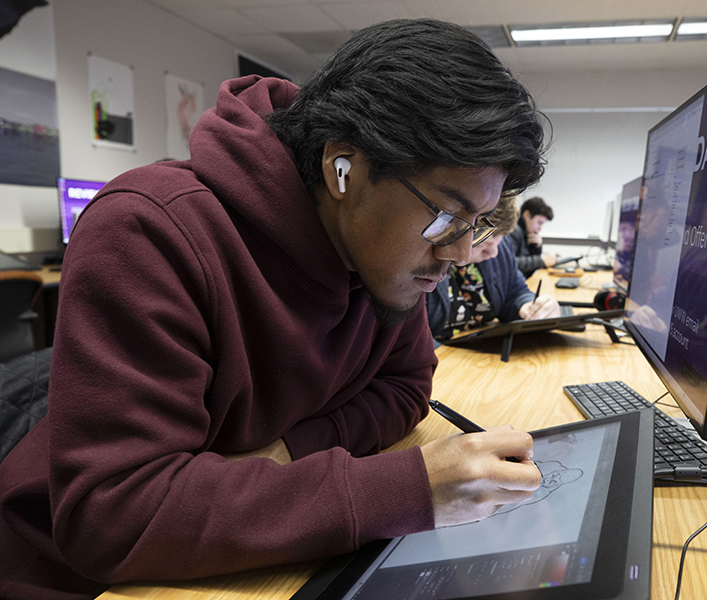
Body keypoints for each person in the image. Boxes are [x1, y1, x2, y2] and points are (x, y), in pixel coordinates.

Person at [0, 19, 546, 599]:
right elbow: (113, 516)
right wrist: (401, 487)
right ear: (343, 167)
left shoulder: (387, 256)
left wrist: (287, 455)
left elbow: (408, 385)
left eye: (477, 224)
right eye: (447, 215)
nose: (461, 252)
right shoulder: (148, 230)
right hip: (80, 580)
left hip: (238, 554)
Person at [426, 195, 560, 342]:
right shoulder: (425, 261)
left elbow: (514, 291)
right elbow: (413, 339)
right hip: (444, 356)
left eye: (499, 241)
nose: (493, 253)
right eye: (483, 244)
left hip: (482, 351)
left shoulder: (500, 246)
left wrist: (530, 306)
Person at [505, 196, 558, 277]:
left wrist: (537, 247)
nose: (539, 229)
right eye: (539, 223)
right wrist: (542, 261)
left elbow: (531, 267)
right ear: (527, 215)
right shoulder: (513, 230)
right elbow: (508, 263)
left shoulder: (527, 233)